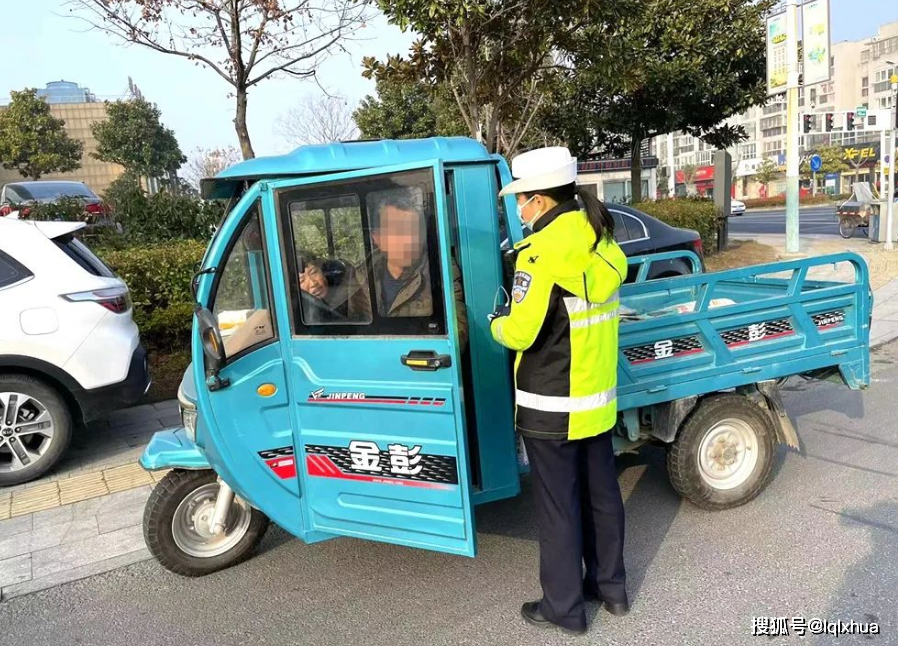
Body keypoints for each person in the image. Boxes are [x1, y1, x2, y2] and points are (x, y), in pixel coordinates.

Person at [488, 146, 629, 635]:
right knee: (601, 497)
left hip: (550, 407)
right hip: (596, 401)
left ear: (541, 200)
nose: (519, 209)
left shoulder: (540, 254)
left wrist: (495, 322)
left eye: (521, 199)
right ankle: (611, 589)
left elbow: (521, 332)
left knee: (558, 508)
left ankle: (564, 609)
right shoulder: (601, 241)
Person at [367, 187, 468, 348]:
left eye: (413, 231)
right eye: (398, 232)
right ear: (377, 238)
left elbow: (458, 334)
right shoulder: (362, 275)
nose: (408, 240)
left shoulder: (442, 270)